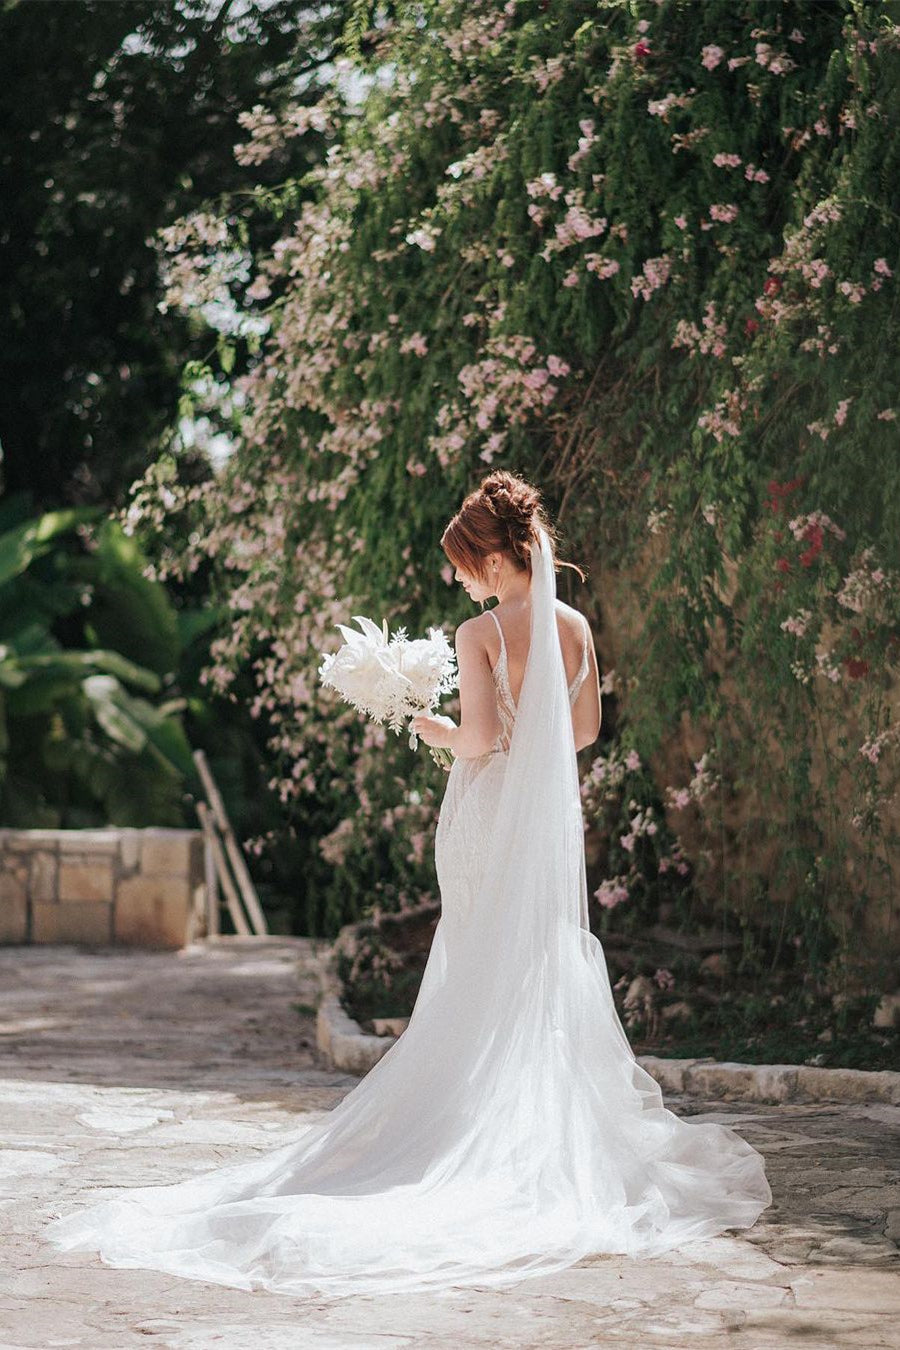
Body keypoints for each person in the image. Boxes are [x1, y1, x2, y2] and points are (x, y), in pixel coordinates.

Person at [43, 470, 771, 1299]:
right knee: (533, 962)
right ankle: (531, 1131)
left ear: (495, 558)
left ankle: (465, 1134)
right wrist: (524, 757)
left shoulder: (483, 632)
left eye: (464, 564)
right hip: (548, 819)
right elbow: (586, 729)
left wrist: (434, 727)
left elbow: (482, 742)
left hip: (491, 814)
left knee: (476, 966)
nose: (459, 580)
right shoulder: (573, 623)